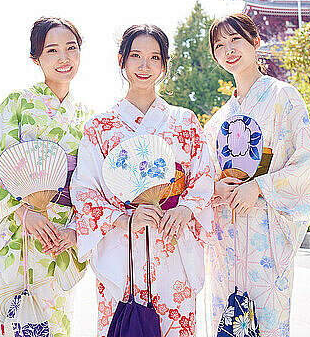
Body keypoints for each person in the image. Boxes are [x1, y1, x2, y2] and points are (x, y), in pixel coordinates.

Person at [71, 24, 214, 337]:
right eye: (135, 56)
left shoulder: (184, 121)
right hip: (121, 250)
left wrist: (187, 208)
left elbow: (204, 176)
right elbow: (85, 189)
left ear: (164, 65)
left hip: (172, 245)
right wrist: (123, 219)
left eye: (154, 57)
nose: (144, 66)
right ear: (121, 60)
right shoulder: (101, 127)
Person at [203, 13, 310, 337]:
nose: (228, 50)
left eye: (235, 40)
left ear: (256, 42)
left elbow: (307, 163)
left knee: (267, 324)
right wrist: (215, 187)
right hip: (225, 239)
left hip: (265, 235)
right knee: (225, 323)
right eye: (219, 45)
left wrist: (258, 187)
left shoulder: (284, 97)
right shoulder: (215, 122)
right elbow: (202, 177)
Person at [0, 17, 91, 337]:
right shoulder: (17, 104)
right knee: (9, 320)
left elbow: (93, 185)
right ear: (36, 58)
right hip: (16, 234)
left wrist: (77, 232)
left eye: (72, 48)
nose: (64, 58)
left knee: (54, 323)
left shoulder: (88, 117)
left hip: (59, 237)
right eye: (52, 50)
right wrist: (24, 211)